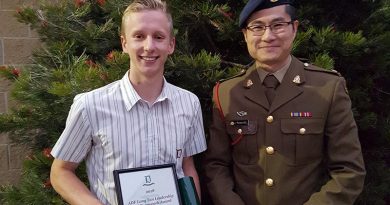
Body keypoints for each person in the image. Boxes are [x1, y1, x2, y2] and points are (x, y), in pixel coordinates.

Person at [203, 0, 365, 204]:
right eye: (257, 27)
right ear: (245, 35)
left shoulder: (328, 88)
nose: (268, 36)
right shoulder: (226, 93)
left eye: (278, 25)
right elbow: (216, 165)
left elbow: (349, 171)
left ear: (294, 28)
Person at [50, 0, 207, 204]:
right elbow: (61, 172)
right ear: (124, 43)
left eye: (158, 37)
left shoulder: (189, 103)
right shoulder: (90, 106)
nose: (149, 46)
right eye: (139, 36)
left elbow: (186, 166)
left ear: (171, 44)